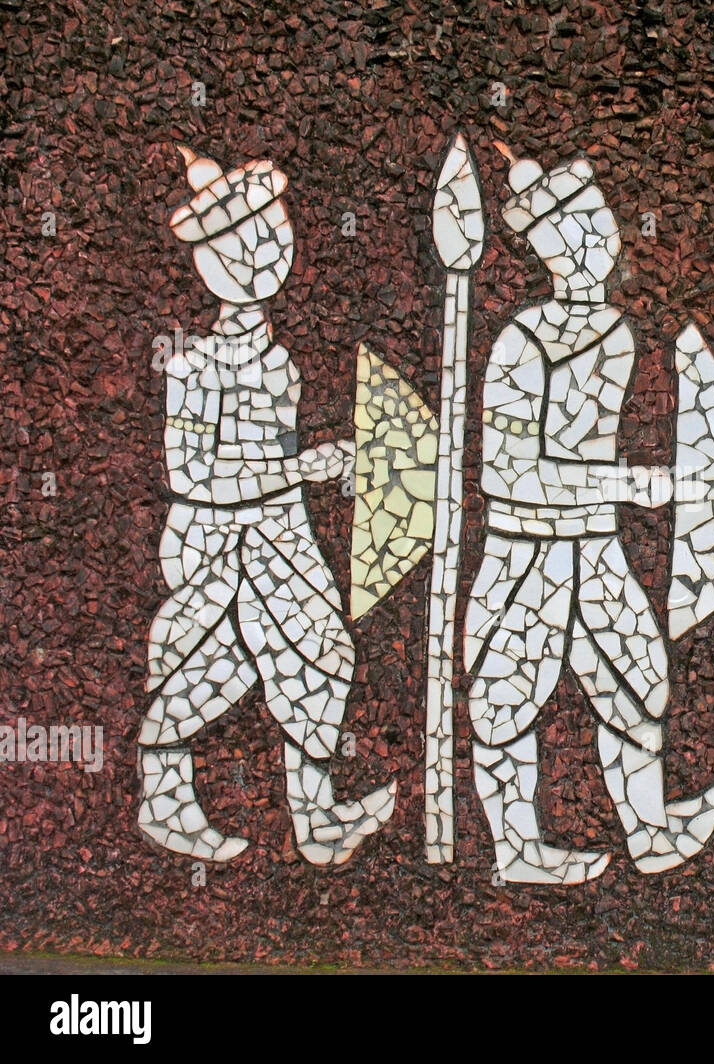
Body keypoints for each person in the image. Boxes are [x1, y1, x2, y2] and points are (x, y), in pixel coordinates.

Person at [464, 147, 714, 884]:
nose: (598, 237)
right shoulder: (520, 340)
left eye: (601, 220)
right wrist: (626, 483)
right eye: (578, 225)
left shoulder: (615, 331)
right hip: (526, 552)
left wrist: (625, 490)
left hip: (594, 545)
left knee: (637, 675)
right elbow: (508, 470)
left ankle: (648, 828)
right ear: (548, 247)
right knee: (508, 693)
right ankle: (516, 849)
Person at [139, 147, 396, 865]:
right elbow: (188, 472)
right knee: (207, 662)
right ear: (209, 261)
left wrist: (315, 472)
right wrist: (300, 467)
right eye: (245, 239)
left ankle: (316, 819)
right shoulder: (192, 363)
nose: (265, 249)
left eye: (273, 229)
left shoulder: (278, 360)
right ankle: (167, 798)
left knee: (317, 655)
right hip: (221, 538)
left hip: (282, 531)